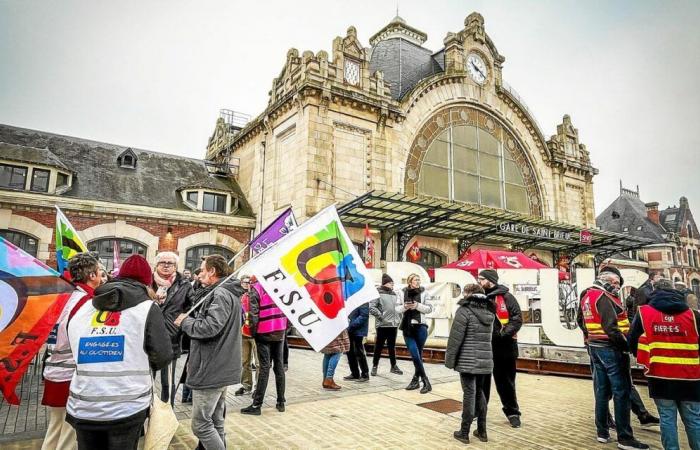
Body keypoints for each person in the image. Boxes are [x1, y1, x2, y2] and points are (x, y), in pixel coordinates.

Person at [65, 255, 173, 450]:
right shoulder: (147, 308)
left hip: (84, 403)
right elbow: (163, 355)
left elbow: (73, 344)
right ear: (147, 282)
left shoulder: (85, 306)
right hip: (127, 405)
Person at [174, 254, 242, 450]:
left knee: (201, 425)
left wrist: (185, 321)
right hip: (220, 365)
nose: (200, 274)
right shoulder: (226, 292)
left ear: (212, 271)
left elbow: (209, 327)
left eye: (203, 270)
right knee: (216, 420)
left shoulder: (220, 294)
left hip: (211, 367)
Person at [580, 266, 649, 450]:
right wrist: (626, 345)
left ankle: (602, 432)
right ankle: (625, 438)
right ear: (608, 281)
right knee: (622, 392)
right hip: (611, 349)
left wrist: (589, 338)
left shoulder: (587, 295)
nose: (618, 287)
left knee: (602, 391)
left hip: (595, 347)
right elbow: (611, 328)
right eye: (616, 283)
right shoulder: (603, 297)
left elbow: (581, 320)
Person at [41, 253, 104, 450]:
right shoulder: (88, 303)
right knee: (69, 435)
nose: (103, 277)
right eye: (100, 272)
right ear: (92, 275)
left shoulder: (63, 296)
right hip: (72, 375)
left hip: (54, 370)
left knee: (55, 428)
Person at [629, 279, 700, 450]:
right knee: (694, 419)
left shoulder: (644, 313)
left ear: (654, 291)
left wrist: (644, 356)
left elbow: (632, 340)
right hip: (690, 375)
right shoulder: (693, 314)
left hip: (659, 374)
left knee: (667, 419)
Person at [446, 284, 495, 444]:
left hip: (467, 361)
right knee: (480, 393)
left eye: (464, 293)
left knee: (469, 394)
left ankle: (464, 432)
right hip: (485, 360)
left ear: (469, 294)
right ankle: (482, 431)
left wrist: (449, 360)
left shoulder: (464, 311)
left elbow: (455, 339)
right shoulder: (489, 311)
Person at [478, 269, 523, 428]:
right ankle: (480, 413)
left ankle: (512, 413)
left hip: (505, 348)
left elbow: (517, 319)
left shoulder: (507, 297)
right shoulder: (480, 298)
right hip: (484, 348)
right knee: (482, 384)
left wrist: (502, 334)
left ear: (490, 280)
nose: (479, 281)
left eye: (481, 279)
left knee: (506, 383)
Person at [151, 251, 194, 405]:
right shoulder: (148, 282)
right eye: (163, 262)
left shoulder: (184, 284)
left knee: (167, 380)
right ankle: (148, 412)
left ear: (176, 266)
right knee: (148, 378)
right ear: (156, 265)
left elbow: (192, 307)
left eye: (171, 263)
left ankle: (168, 411)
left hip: (171, 338)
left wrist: (182, 323)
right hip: (148, 337)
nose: (167, 266)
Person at [241, 280, 288, 414]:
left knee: (264, 368)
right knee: (279, 366)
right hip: (279, 329)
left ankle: (257, 405)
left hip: (263, 331)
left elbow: (253, 313)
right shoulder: (282, 285)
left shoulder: (257, 288)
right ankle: (281, 402)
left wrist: (254, 333)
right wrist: (284, 327)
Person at [400, 273, 433, 394]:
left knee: (418, 355)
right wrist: (405, 307)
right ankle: (426, 381)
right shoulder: (402, 292)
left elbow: (429, 309)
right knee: (414, 354)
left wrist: (417, 306)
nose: (418, 281)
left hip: (421, 327)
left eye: (419, 280)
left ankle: (415, 380)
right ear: (410, 282)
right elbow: (396, 308)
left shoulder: (424, 292)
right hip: (407, 327)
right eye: (415, 280)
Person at [369, 274, 403, 376]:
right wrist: (381, 316)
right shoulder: (377, 294)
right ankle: (374, 366)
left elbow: (398, 307)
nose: (393, 285)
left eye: (393, 283)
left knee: (392, 346)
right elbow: (371, 307)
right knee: (378, 346)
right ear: (385, 283)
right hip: (382, 325)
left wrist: (398, 318)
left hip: (393, 325)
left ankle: (393, 366)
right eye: (391, 283)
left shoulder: (394, 294)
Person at [235, 275, 259, 396]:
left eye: (249, 282)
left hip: (256, 334)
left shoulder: (257, 295)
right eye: (244, 282)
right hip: (243, 332)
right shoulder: (240, 296)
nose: (247, 284)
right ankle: (246, 385)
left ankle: (258, 388)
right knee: (245, 362)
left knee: (258, 363)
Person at [343, 301, 370, 382]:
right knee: (349, 352)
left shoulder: (363, 299)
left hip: (358, 330)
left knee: (359, 352)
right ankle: (355, 373)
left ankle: (365, 374)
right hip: (349, 330)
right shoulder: (350, 299)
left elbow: (364, 316)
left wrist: (351, 326)